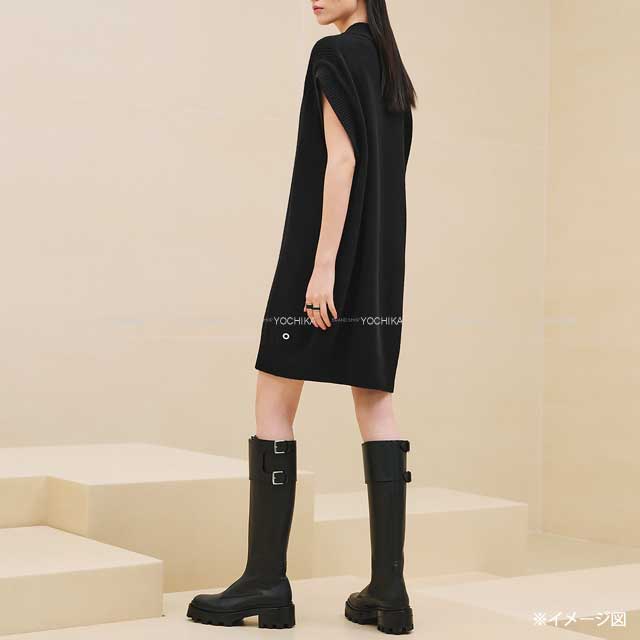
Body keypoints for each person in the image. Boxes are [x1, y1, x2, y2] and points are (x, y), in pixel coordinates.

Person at [187, 0, 415, 634]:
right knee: (375, 402)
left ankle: (266, 581)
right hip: (378, 268)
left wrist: (321, 268)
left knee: (273, 400)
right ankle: (390, 590)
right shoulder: (392, 70)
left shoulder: (334, 54)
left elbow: (342, 163)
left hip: (326, 260)